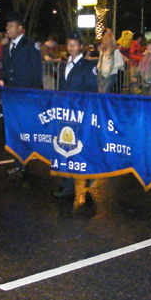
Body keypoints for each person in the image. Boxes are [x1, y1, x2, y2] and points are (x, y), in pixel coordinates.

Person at [0, 14, 43, 176]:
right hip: (12, 95)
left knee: (26, 130)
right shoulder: (7, 47)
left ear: (20, 28)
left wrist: (33, 94)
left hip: (26, 94)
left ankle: (25, 163)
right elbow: (6, 71)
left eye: (12, 26)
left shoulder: (30, 45)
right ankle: (18, 162)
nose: (8, 29)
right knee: (14, 130)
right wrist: (2, 82)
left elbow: (36, 72)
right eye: (7, 26)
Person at [52, 31, 99, 199]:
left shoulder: (88, 66)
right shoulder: (63, 65)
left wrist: (81, 107)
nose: (71, 47)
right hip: (65, 112)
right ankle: (67, 185)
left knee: (82, 146)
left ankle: (89, 173)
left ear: (81, 47)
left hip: (80, 112)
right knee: (65, 147)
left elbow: (91, 90)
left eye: (74, 44)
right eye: (69, 44)